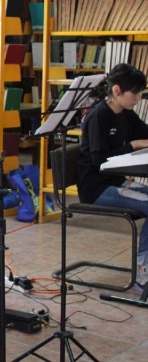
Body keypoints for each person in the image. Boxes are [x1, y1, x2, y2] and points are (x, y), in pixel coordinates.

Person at [77, 63, 148, 289]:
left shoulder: (126, 113)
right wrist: (133, 145)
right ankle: (143, 272)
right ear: (117, 91)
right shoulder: (99, 116)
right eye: (135, 93)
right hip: (96, 188)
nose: (138, 97)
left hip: (116, 182)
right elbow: (100, 162)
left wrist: (137, 142)